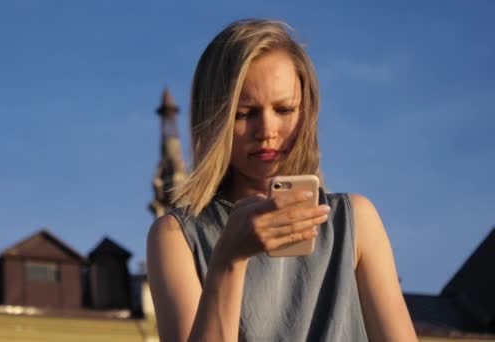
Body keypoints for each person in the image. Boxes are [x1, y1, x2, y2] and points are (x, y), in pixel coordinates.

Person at [146, 18, 417, 342]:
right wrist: (228, 261)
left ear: (306, 110)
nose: (268, 131)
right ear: (214, 118)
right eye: (244, 113)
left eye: (284, 109)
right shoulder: (177, 236)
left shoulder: (357, 221)